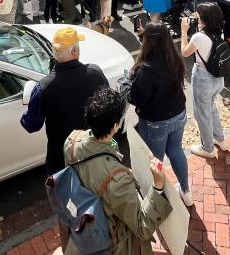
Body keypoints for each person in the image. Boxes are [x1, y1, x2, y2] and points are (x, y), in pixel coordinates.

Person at [61, 87, 173, 255]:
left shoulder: (72, 140)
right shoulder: (117, 179)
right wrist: (158, 185)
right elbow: (142, 226)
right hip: (113, 244)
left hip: (83, 225)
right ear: (115, 126)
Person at [20, 26, 108, 175]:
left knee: (62, 197)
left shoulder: (43, 87)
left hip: (61, 162)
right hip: (92, 155)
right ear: (74, 51)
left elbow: (31, 125)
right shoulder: (94, 73)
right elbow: (109, 108)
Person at [128, 23, 192, 206]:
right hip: (179, 114)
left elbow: (137, 98)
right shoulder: (175, 59)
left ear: (148, 42)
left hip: (156, 122)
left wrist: (128, 85)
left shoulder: (146, 69)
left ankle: (156, 197)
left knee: (155, 161)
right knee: (176, 150)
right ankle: (186, 192)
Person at [180, 3, 228, 158]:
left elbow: (185, 53)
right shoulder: (220, 32)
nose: (197, 19)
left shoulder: (199, 37)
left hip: (203, 79)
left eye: (199, 17)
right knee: (212, 108)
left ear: (205, 20)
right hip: (218, 79)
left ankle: (207, 148)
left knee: (202, 114)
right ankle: (219, 139)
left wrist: (183, 31)